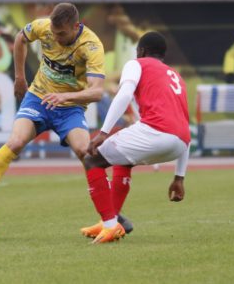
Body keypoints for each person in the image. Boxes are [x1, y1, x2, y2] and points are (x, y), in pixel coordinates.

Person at [0, 3, 106, 224]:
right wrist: (20, 77)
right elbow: (21, 38)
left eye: (62, 34)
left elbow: (96, 92)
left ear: (76, 26)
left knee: (86, 154)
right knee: (16, 142)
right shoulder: (44, 27)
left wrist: (65, 97)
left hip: (69, 108)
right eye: (53, 32)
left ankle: (111, 215)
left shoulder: (92, 46)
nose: (56, 38)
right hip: (38, 98)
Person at [79, 32, 191, 244]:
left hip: (156, 131)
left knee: (91, 160)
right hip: (180, 142)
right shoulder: (176, 76)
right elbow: (185, 125)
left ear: (140, 51)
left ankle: (111, 224)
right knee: (123, 160)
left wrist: (103, 132)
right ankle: (110, 222)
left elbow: (124, 94)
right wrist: (179, 178)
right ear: (163, 55)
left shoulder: (137, 63)